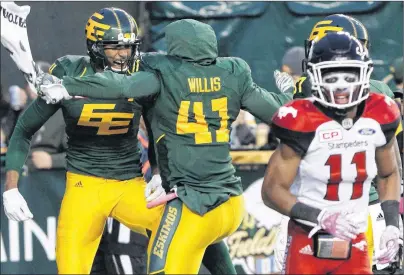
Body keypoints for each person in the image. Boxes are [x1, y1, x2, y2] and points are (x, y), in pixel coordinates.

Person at [37, 18, 293, 274]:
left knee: (159, 267)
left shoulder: (164, 74)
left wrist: (66, 84)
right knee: (209, 248)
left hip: (192, 203)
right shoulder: (234, 71)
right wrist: (289, 95)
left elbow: (120, 85)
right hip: (232, 203)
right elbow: (279, 114)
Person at [2, 8, 167, 274]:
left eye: (128, 46)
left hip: (129, 184)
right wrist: (10, 187)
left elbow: (155, 122)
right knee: (70, 269)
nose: (123, 54)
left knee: (182, 228)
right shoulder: (69, 70)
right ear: (95, 46)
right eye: (114, 46)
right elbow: (24, 129)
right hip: (83, 186)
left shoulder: (140, 70)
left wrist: (158, 173)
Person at [272, 13, 403, 272]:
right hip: (325, 214)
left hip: (350, 212)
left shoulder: (300, 95)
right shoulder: (381, 97)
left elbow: (391, 170)